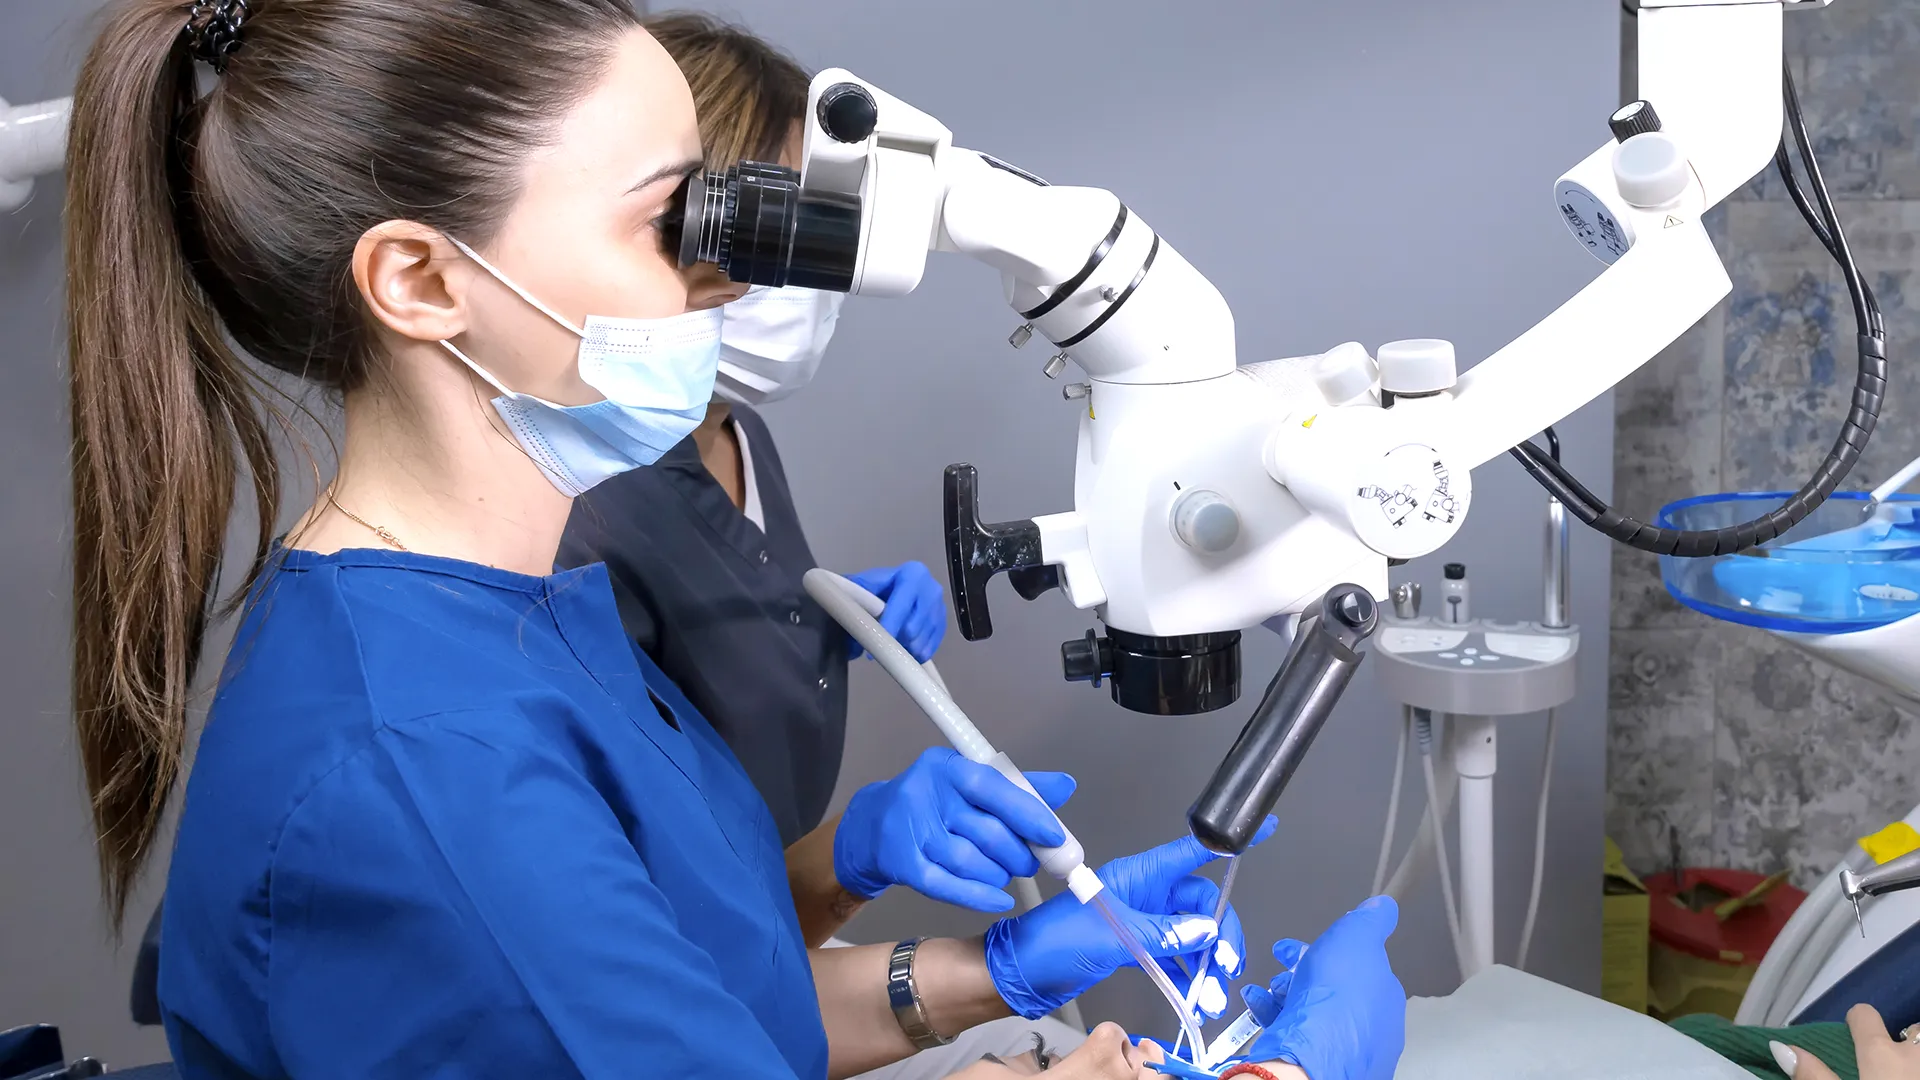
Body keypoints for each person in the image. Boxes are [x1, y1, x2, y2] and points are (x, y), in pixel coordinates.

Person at [61, 1, 1282, 1077]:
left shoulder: (528, 614)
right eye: (672, 221)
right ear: (425, 284)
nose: (734, 278)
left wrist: (996, 970)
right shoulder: (431, 772)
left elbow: (711, 1014)